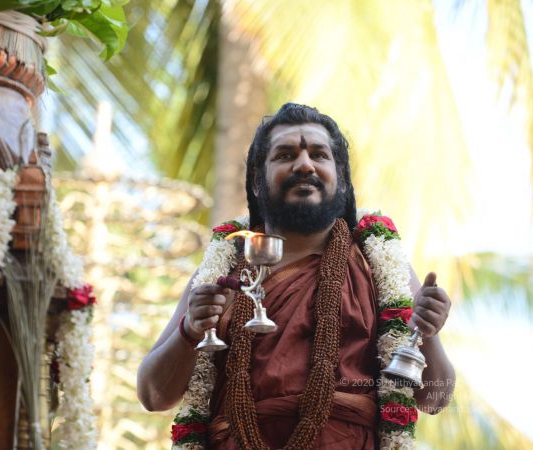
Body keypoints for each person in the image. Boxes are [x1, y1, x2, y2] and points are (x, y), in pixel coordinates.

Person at [137, 103, 455, 449]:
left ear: (341, 179)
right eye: (285, 155)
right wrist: (190, 330)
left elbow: (434, 399)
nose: (304, 165)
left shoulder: (374, 261)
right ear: (257, 181)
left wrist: (428, 334)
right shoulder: (223, 270)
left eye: (319, 155)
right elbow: (153, 396)